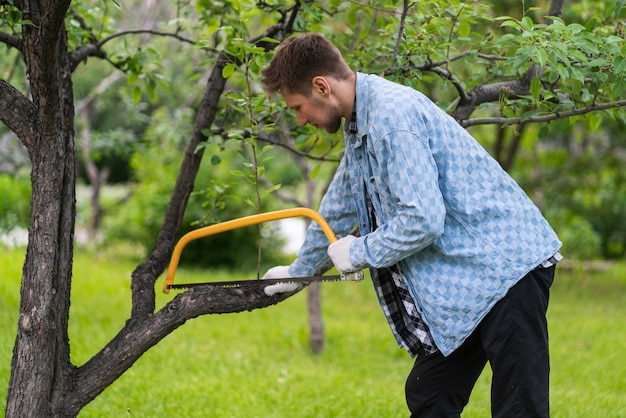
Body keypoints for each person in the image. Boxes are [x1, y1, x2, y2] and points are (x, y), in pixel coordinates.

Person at [260, 33, 562, 418]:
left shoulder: (391, 120)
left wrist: (358, 252)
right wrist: (298, 272)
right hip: (472, 282)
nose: (300, 119)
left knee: (519, 408)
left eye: (298, 107)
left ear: (322, 86)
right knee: (430, 396)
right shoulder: (361, 125)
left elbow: (423, 220)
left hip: (508, 268)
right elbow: (336, 207)